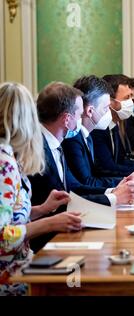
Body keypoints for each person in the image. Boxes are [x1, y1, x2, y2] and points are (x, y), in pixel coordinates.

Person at [28, 82, 134, 251]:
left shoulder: (55, 143)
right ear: (66, 119)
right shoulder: (37, 149)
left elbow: (73, 188)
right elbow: (61, 203)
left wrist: (114, 190)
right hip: (42, 243)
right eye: (79, 115)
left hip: (62, 231)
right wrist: (114, 198)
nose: (81, 121)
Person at [0, 83, 83, 295]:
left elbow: (8, 215)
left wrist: (42, 209)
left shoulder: (10, 155)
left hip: (20, 264)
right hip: (11, 276)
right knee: (79, 282)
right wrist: (50, 222)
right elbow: (3, 236)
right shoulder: (4, 163)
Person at [62, 75, 134, 190]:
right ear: (90, 110)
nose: (109, 112)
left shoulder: (87, 136)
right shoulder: (75, 138)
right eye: (106, 108)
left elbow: (101, 173)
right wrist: (130, 181)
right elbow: (89, 180)